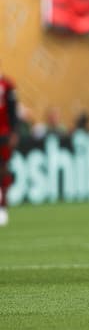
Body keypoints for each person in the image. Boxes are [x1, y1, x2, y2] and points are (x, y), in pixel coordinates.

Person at [0, 66, 18, 226]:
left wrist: (14, 132)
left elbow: (13, 110)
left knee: (4, 169)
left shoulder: (7, 85)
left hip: (3, 134)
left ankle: (3, 206)